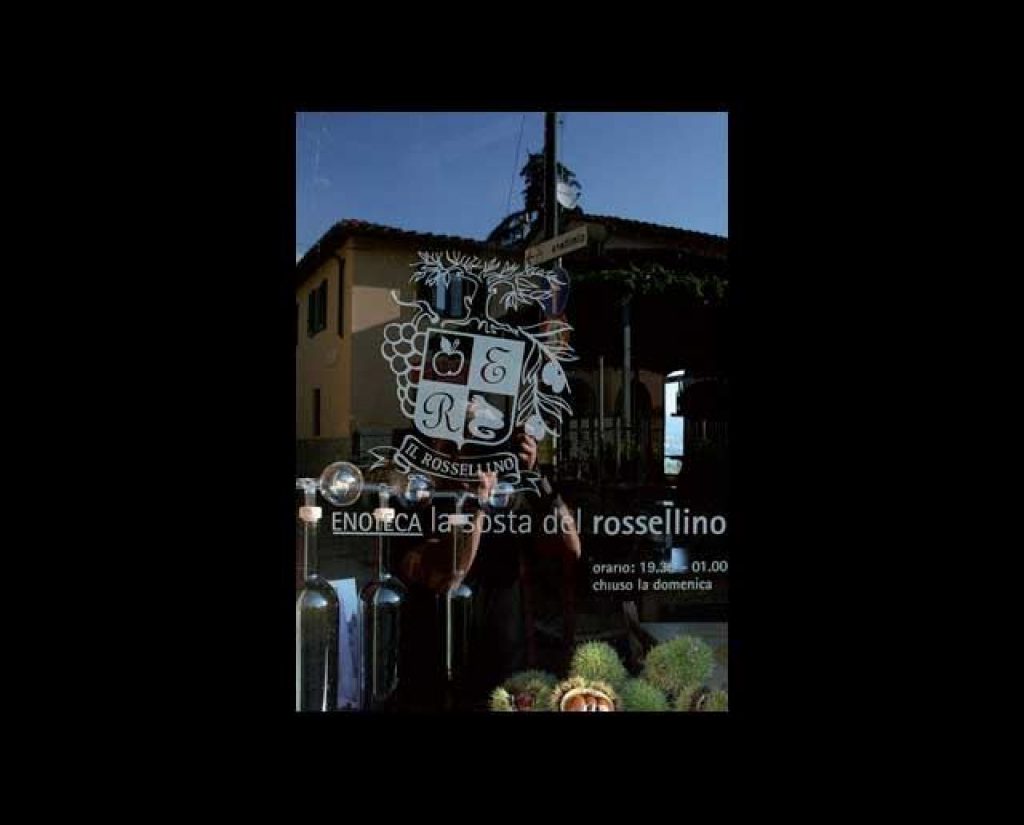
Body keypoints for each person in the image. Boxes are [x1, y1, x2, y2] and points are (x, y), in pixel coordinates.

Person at [389, 428, 580, 711]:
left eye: (476, 447)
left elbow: (571, 548)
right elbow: (448, 576)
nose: (467, 460)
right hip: (435, 673)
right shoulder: (418, 502)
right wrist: (475, 506)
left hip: (504, 670)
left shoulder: (507, 502)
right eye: (455, 446)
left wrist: (536, 477)